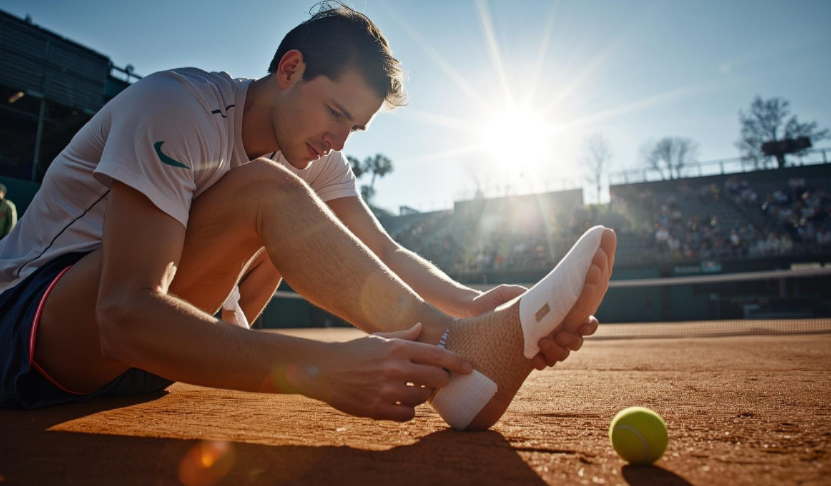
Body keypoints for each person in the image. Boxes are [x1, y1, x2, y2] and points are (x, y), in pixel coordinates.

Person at [0, 3, 614, 428]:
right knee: (264, 191)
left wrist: (475, 302)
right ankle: (463, 353)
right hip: (33, 331)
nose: (340, 141)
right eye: (337, 113)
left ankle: (465, 353)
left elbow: (384, 255)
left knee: (285, 201)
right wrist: (320, 369)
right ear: (289, 69)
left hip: (146, 366)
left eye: (356, 127)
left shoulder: (312, 155)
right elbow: (122, 314)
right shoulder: (175, 108)